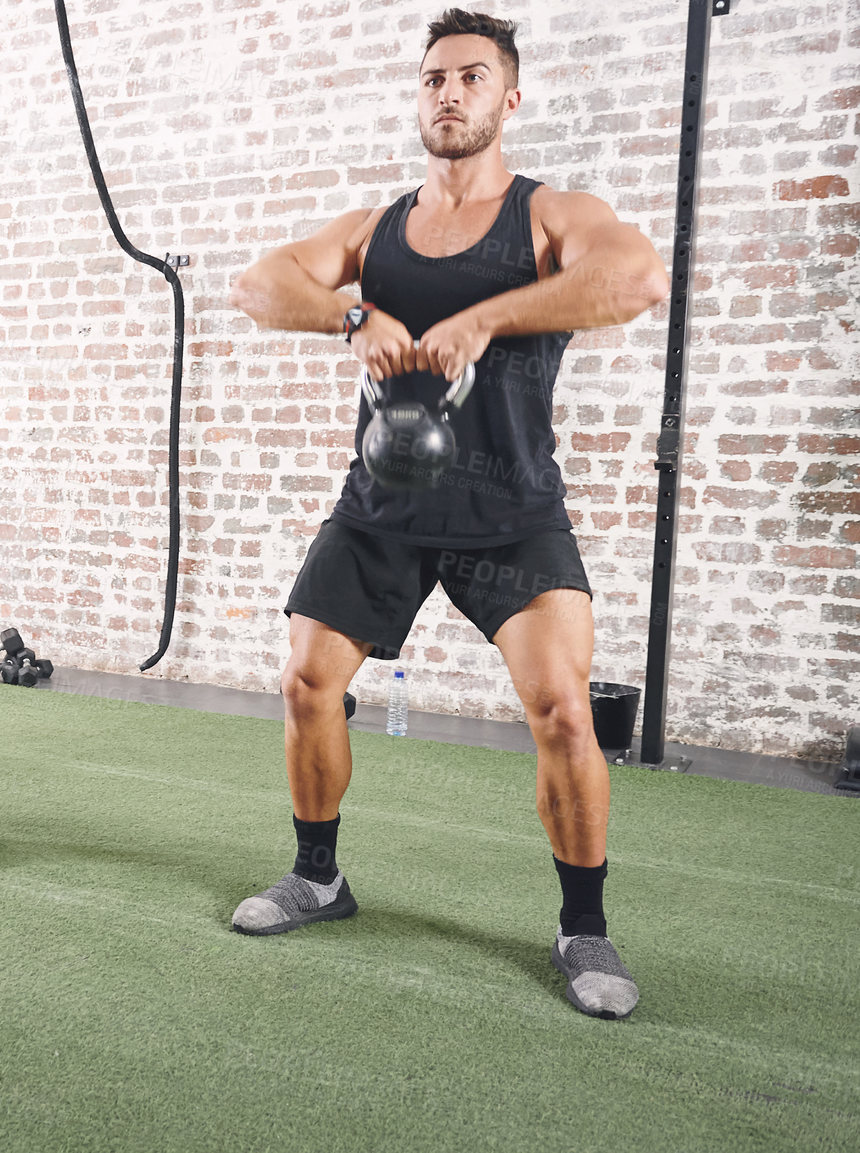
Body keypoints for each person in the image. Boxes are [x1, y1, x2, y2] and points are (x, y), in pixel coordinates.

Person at [229, 10, 669, 1019]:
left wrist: (483, 316)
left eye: (472, 76)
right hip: (380, 506)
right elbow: (259, 283)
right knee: (305, 682)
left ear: (508, 98)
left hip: (510, 508)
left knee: (561, 709)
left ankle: (583, 925)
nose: (449, 91)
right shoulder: (376, 231)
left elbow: (635, 277)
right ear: (418, 96)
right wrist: (355, 315)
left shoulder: (549, 215)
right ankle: (317, 877)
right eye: (434, 77)